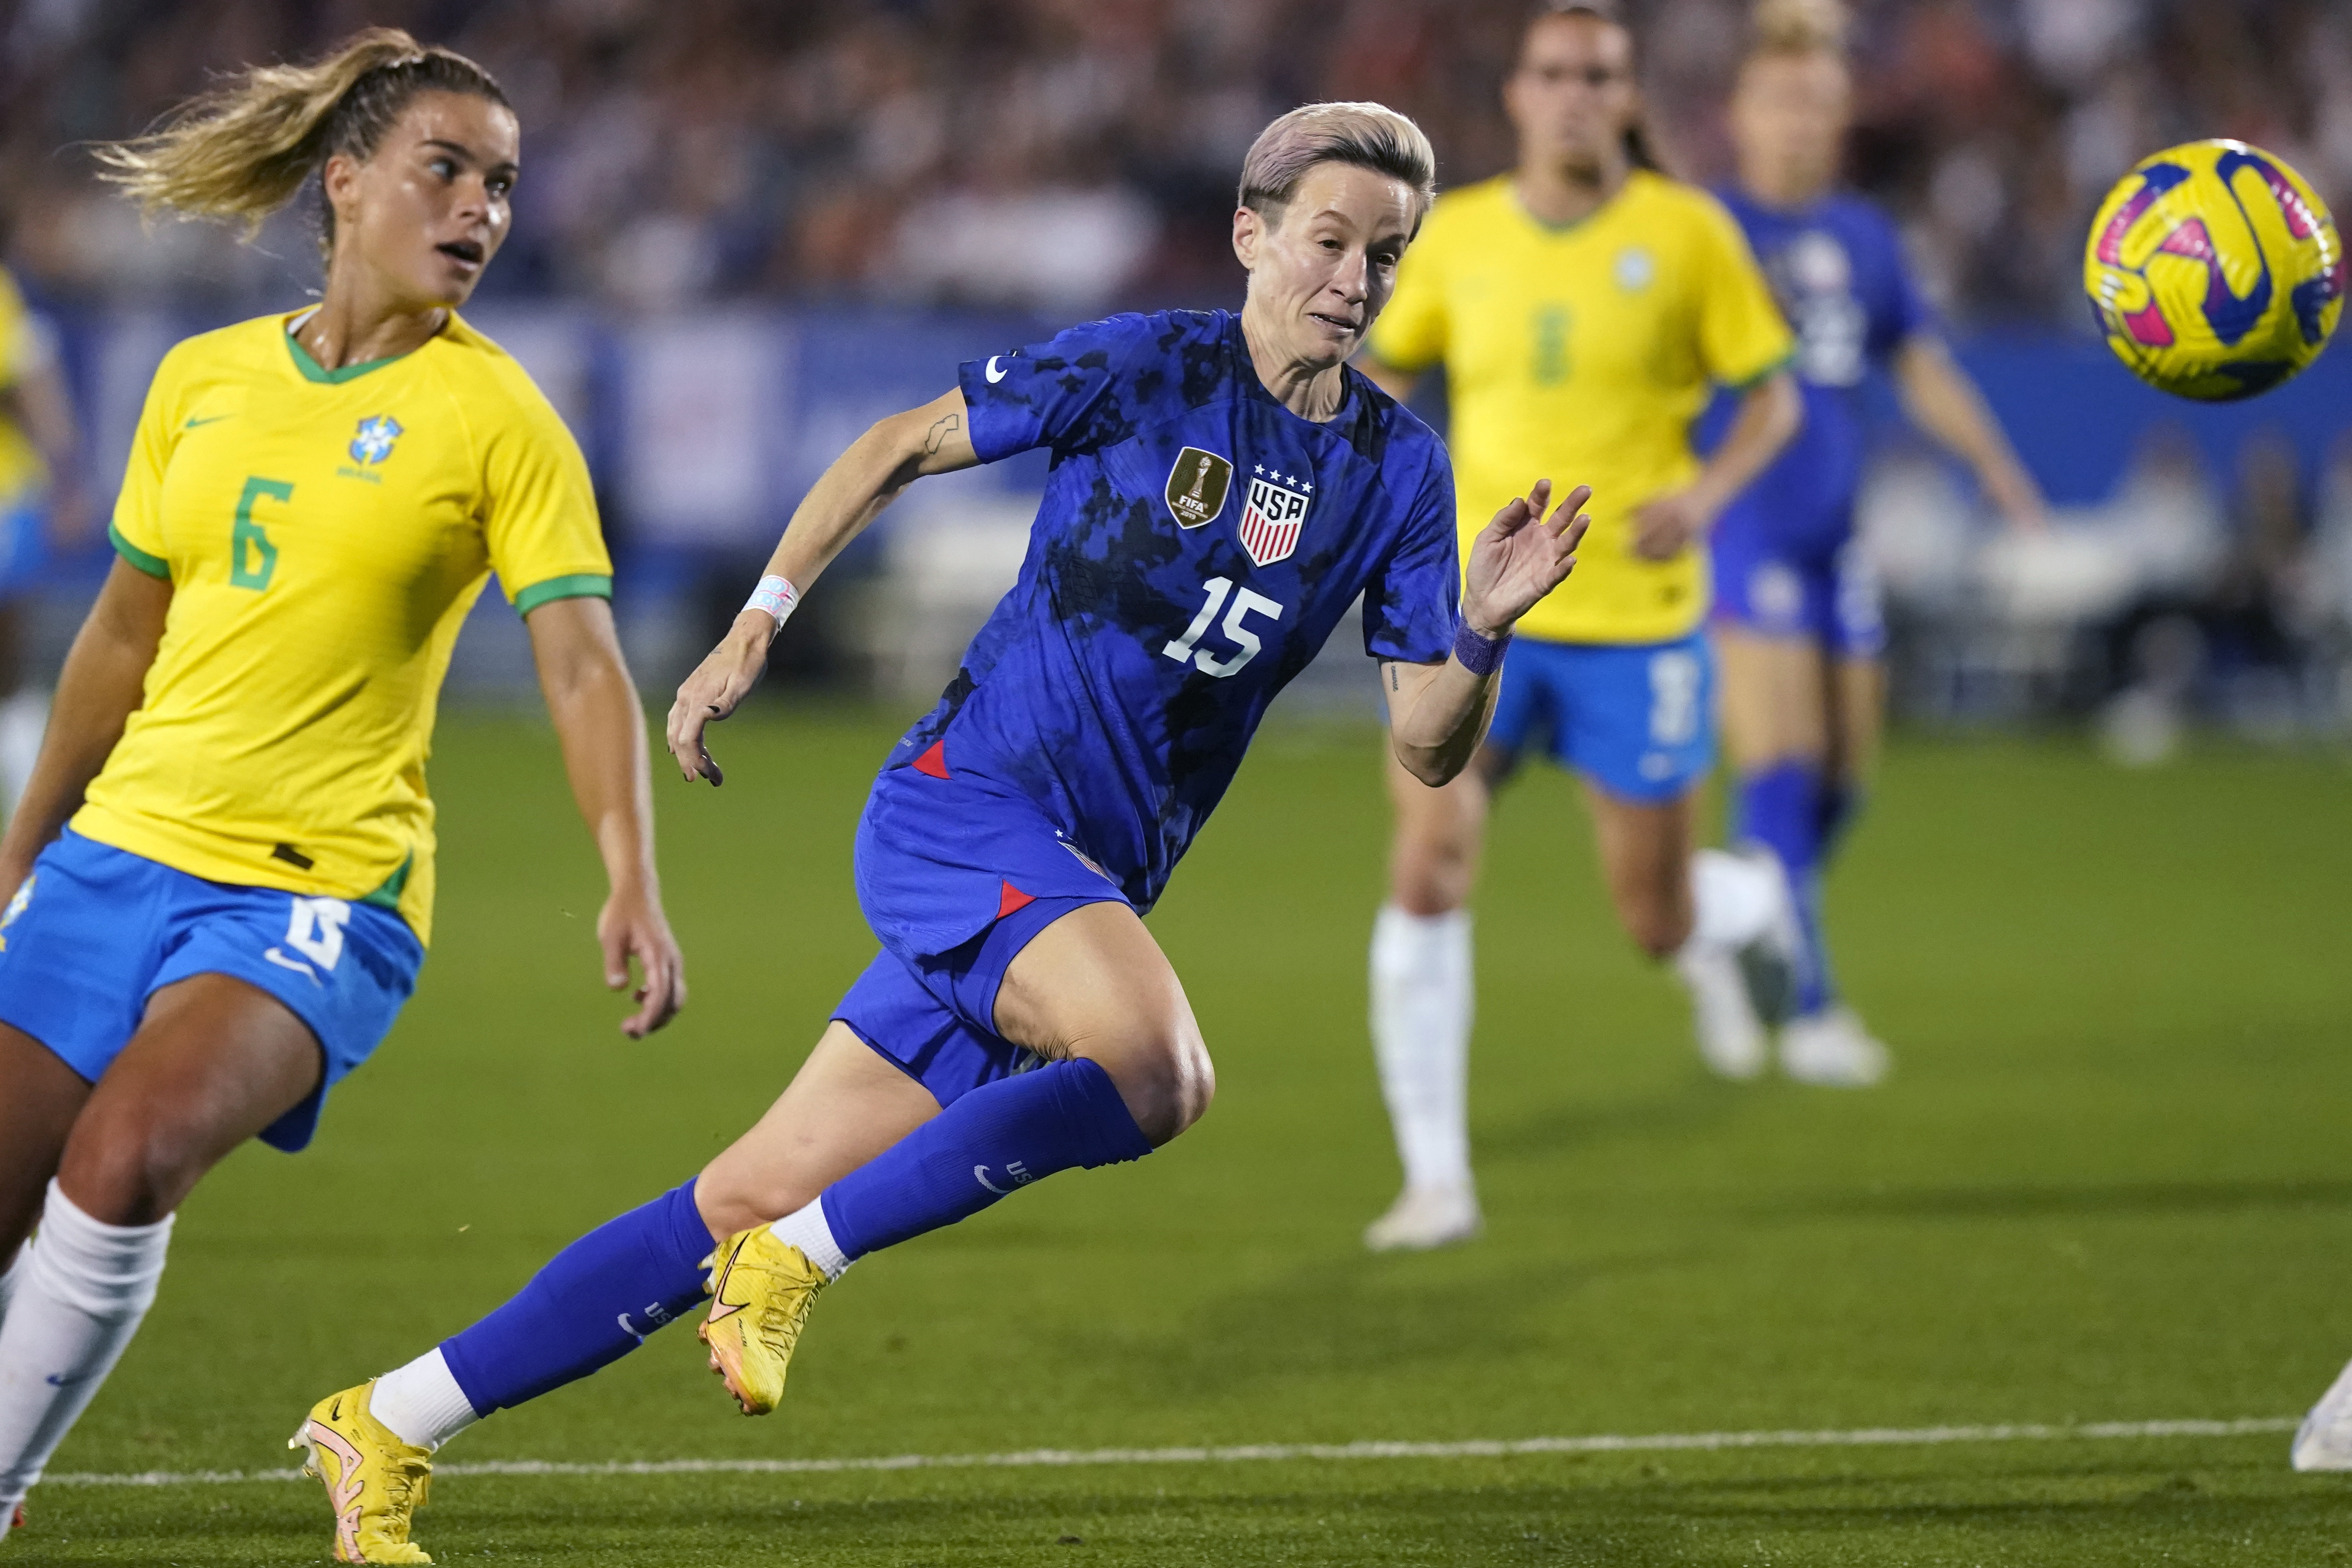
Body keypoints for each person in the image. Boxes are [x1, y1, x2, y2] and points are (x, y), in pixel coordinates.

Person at [292, 101, 1589, 1564]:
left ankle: (389, 1416)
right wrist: (753, 627)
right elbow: (902, 444)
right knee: (1160, 1071)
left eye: (1388, 254)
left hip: (1066, 887)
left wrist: (1481, 627)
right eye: (1331, 240)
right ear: (1253, 234)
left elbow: (1427, 744)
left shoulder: (1399, 472)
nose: (1355, 279)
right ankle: (797, 1263)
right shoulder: (1148, 366)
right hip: (964, 810)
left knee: (738, 1191)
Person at [0, 29, 684, 1545]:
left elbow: (579, 664)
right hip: (120, 856)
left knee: (126, 1161)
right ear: (346, 181)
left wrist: (628, 869)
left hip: (323, 888)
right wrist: (23, 848)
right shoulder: (204, 379)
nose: (481, 211)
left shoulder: (499, 414)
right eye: (447, 170)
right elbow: (122, 636)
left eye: (502, 185)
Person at [1357, 0, 1805, 1253]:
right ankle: (1437, 1178)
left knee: (1653, 921)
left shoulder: (1688, 233)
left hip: (1638, 623)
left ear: (1627, 96)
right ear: (1515, 94)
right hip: (1482, 614)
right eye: (1550, 72)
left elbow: (1772, 400)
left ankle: (1755, 908)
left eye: (1595, 75)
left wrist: (1706, 495)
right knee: (1427, 863)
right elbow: (1387, 374)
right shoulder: (1462, 237)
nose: (1570, 94)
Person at [1705, 0, 2045, 1077]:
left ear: (1843, 114)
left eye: (1818, 100)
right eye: (1780, 99)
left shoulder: (1864, 236)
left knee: (1849, 775)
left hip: (1834, 534)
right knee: (1785, 759)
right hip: (1743, 528)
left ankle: (1740, 911)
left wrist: (1990, 460)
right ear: (1740, 114)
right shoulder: (1703, 230)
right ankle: (1807, 1010)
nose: (1800, 120)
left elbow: (1918, 361)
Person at [0, 263, 90, 816]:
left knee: (8, 644)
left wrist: (67, 476)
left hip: (6, 489)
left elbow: (32, 371)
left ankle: (23, 765)